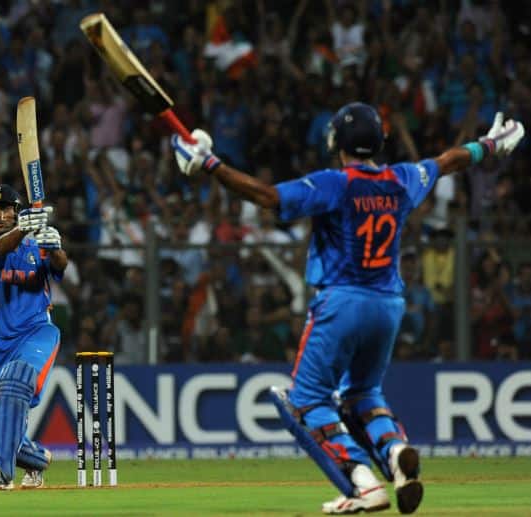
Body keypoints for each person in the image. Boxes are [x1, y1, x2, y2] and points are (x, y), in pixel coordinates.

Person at [171, 105, 524, 514]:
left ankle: (363, 483)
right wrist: (489, 146)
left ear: (336, 141)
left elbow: (267, 197)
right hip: (388, 306)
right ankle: (395, 453)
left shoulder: (335, 184)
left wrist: (210, 165)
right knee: (362, 394)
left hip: (341, 303)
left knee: (305, 401)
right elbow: (449, 161)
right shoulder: (403, 178)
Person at [0, 184, 68, 490]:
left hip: (37, 333)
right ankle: (35, 460)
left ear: (16, 211)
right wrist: (23, 229)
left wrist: (54, 246)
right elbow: (0, 251)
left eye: (4, 209)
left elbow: (60, 266)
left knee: (13, 384)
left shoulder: (36, 247)